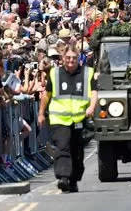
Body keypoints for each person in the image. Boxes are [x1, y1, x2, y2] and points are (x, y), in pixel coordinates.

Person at [38, 44, 97, 192]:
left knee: (77, 151)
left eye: (74, 58)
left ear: (79, 59)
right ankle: (63, 177)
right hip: (59, 120)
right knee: (63, 147)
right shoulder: (55, 73)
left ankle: (73, 179)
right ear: (63, 58)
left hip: (78, 119)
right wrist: (41, 113)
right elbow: (47, 95)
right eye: (68, 58)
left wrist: (91, 107)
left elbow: (95, 92)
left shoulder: (87, 73)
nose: (71, 61)